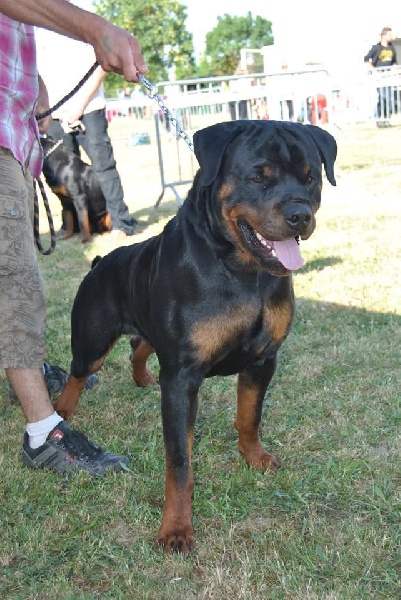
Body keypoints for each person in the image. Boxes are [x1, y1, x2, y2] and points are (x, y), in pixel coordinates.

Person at [0, 0, 147, 475]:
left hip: (14, 129)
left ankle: (24, 371)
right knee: (16, 284)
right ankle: (43, 434)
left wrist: (35, 90)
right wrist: (95, 29)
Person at [36, 21, 135, 238]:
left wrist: (79, 106)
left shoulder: (84, 22)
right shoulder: (38, 28)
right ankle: (72, 226)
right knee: (62, 178)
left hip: (90, 107)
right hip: (54, 112)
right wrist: (43, 108)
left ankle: (121, 223)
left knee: (103, 167)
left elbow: (102, 66)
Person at [364, 27, 398, 127]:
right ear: (384, 35)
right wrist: (374, 71)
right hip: (379, 78)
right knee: (383, 97)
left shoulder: (391, 47)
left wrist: (394, 70)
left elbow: (394, 62)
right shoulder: (376, 47)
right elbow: (366, 59)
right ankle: (380, 119)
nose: (391, 37)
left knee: (388, 98)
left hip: (389, 77)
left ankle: (386, 119)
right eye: (389, 35)